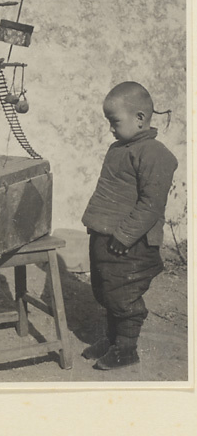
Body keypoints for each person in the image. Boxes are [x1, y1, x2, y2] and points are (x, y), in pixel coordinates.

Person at [81, 81, 178, 370]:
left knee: (124, 294)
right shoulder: (120, 147)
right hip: (107, 237)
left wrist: (124, 236)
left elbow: (151, 205)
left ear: (139, 118)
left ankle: (126, 348)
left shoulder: (154, 154)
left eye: (115, 122)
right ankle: (112, 339)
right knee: (106, 290)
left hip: (131, 244)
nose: (111, 128)